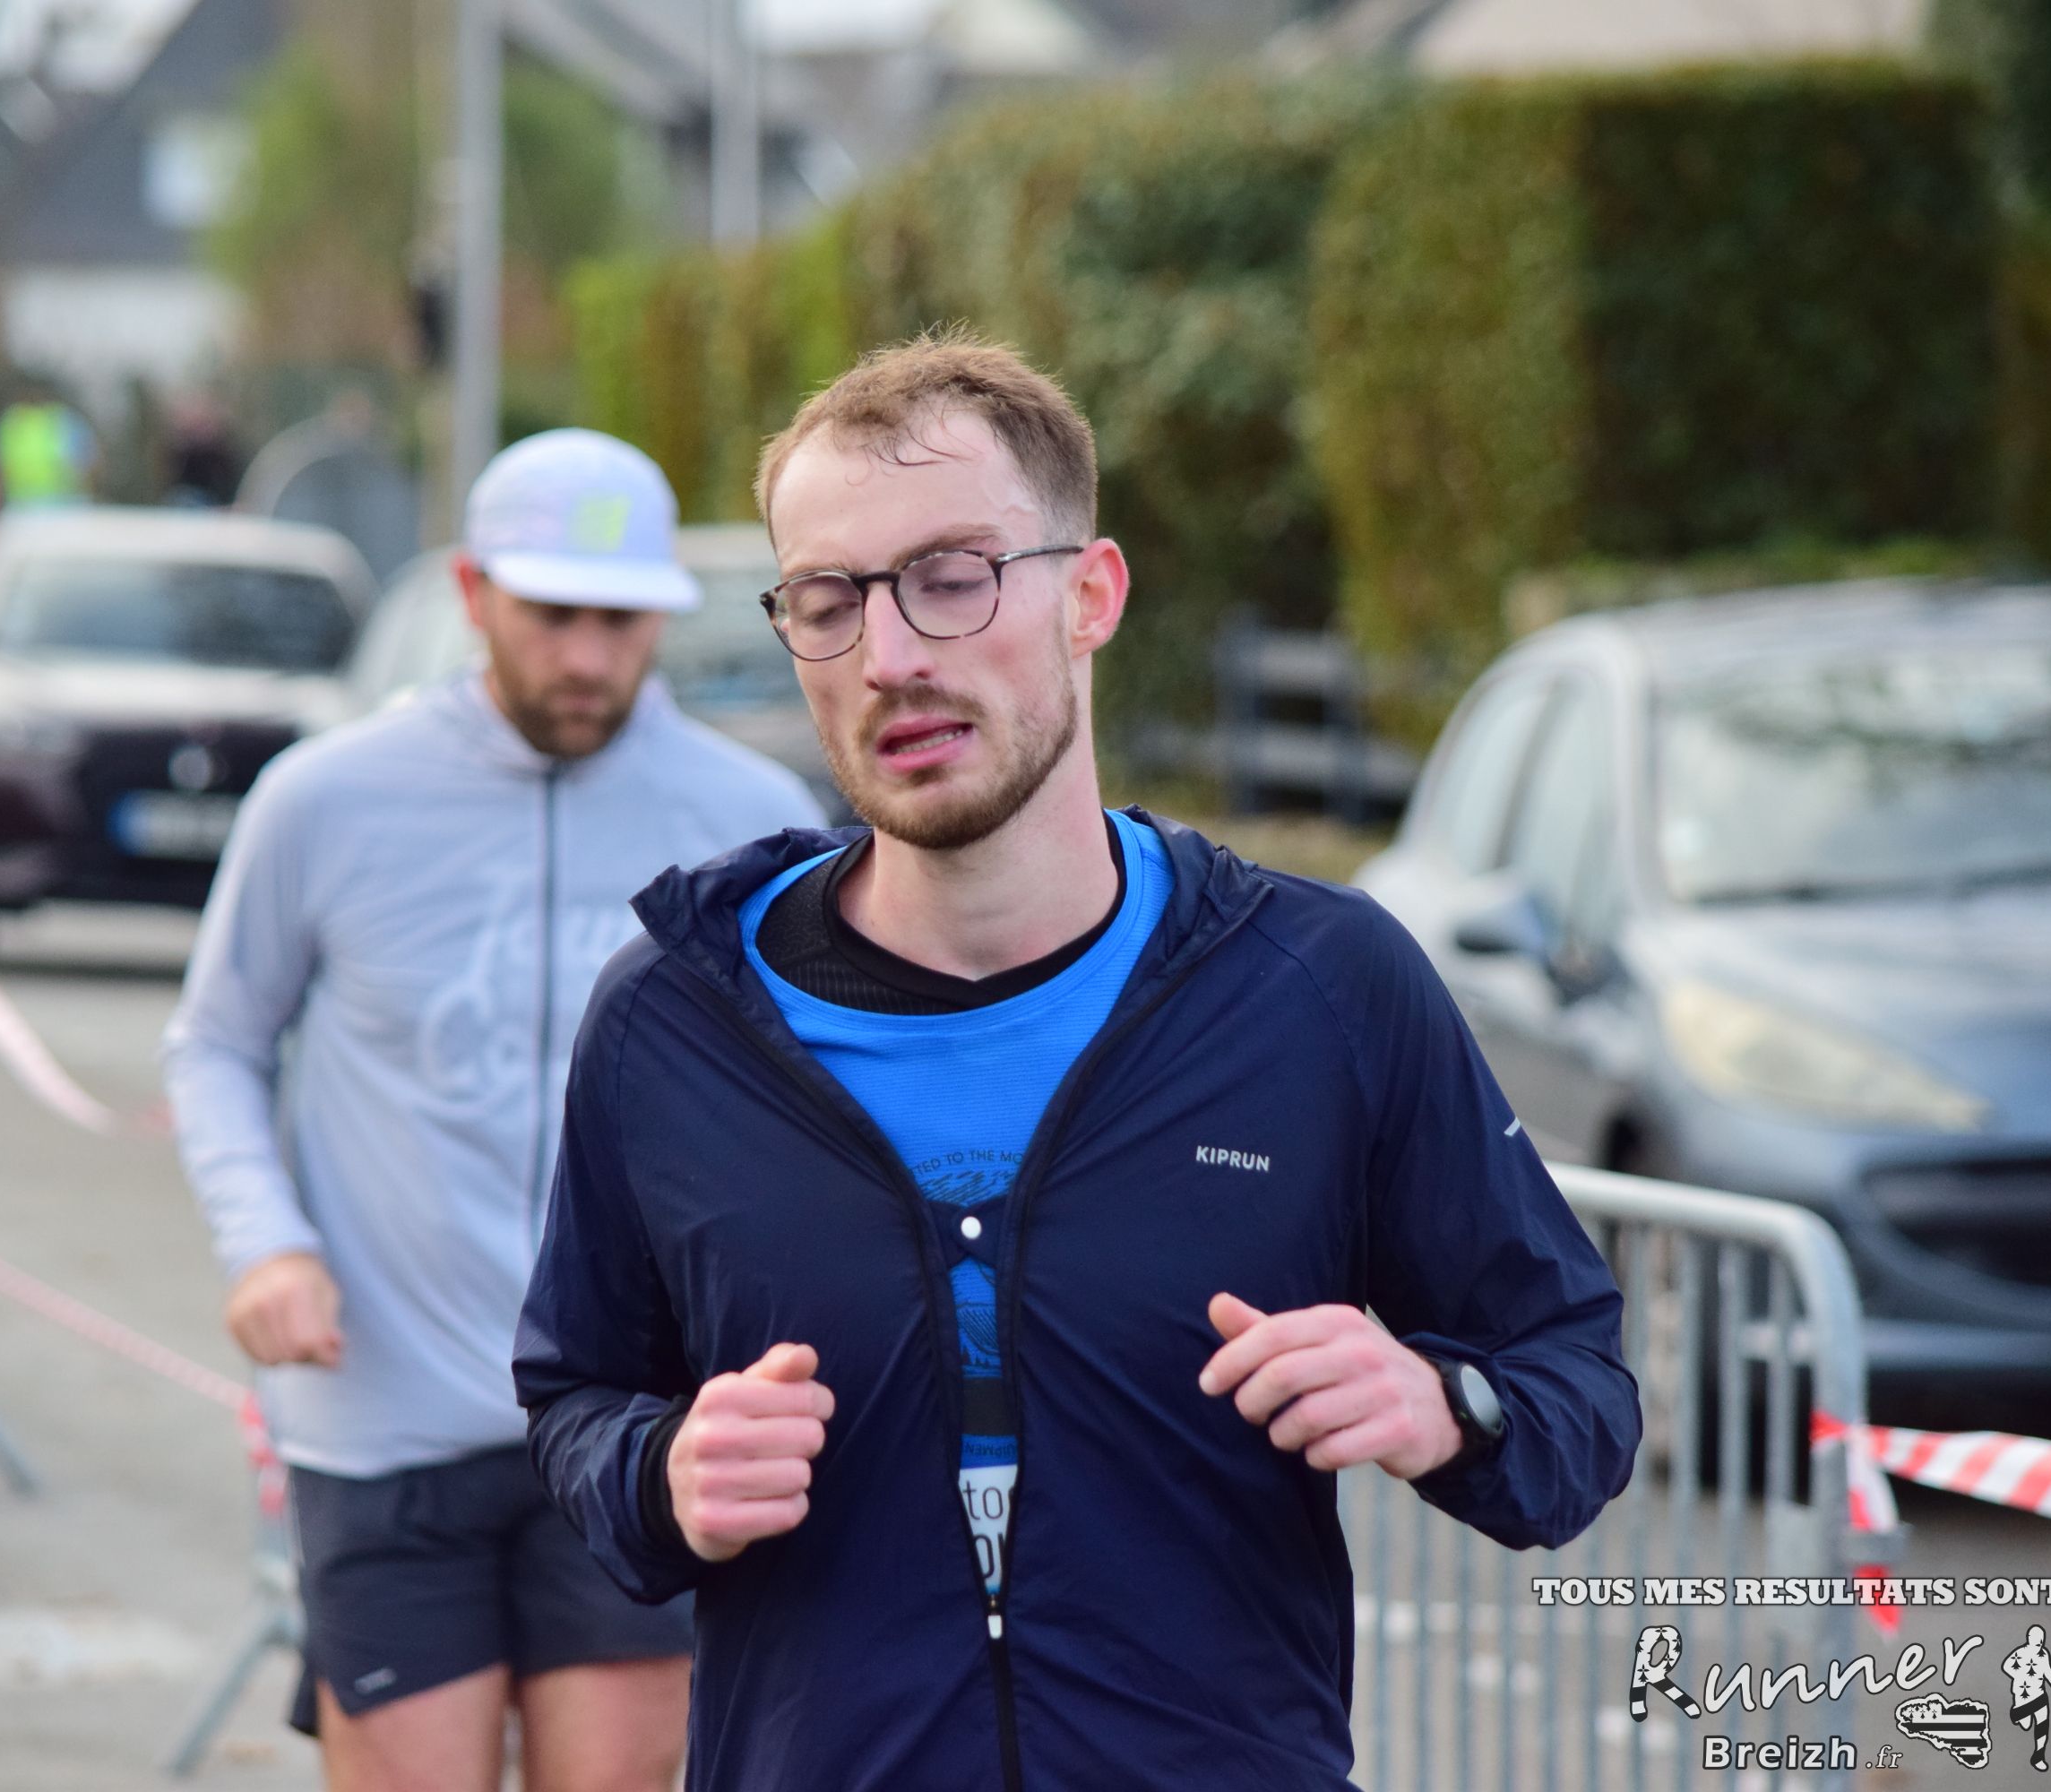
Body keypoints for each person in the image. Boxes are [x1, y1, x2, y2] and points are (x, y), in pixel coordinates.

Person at [514, 334, 1642, 1789]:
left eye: (951, 578)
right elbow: (577, 1394)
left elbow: (1573, 1387)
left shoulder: (1318, 988)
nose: (890, 658)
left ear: (1090, 596)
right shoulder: (676, 1018)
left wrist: (1445, 1408)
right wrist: (660, 1475)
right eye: (829, 602)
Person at [164, 427, 823, 1792]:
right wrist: (265, 1242)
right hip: (385, 1413)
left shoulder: (754, 820)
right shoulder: (325, 798)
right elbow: (217, 1040)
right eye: (551, 615)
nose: (587, 657)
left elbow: (813, 1105)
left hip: (636, 1423)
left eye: (619, 622)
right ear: (472, 594)